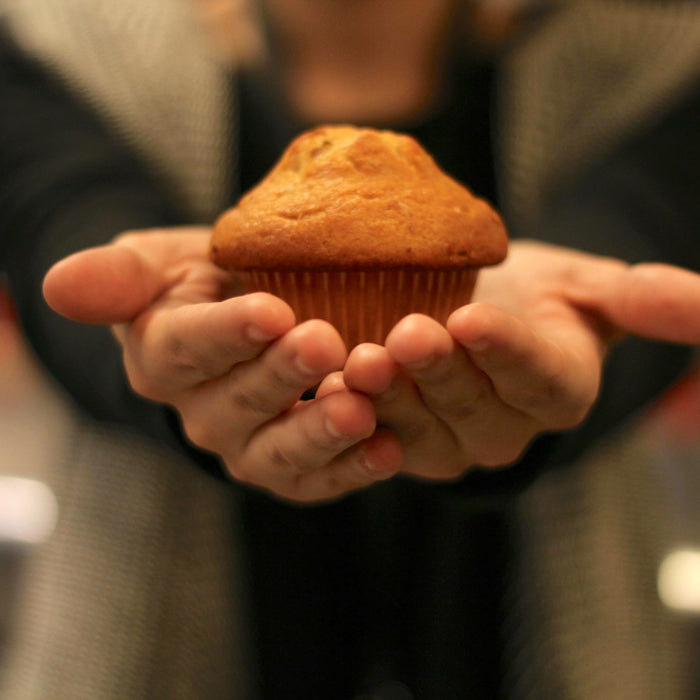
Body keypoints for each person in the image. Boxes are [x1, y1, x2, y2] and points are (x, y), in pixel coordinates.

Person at [1, 0, 700, 697]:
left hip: (539, 627)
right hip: (152, 623)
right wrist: (154, 358)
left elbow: (646, 226)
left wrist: (569, 372)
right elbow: (62, 224)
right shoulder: (59, 38)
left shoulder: (658, 56)